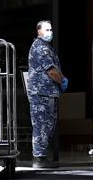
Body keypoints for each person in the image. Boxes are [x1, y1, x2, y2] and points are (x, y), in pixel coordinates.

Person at [27, 20, 68, 169]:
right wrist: (62, 80)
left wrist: (61, 79)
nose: (50, 32)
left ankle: (42, 156)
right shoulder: (40, 48)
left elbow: (55, 68)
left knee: (48, 125)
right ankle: (39, 158)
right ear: (39, 31)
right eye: (46, 29)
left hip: (48, 93)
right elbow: (51, 71)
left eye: (51, 29)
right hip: (41, 93)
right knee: (41, 125)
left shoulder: (46, 47)